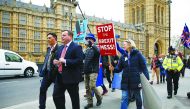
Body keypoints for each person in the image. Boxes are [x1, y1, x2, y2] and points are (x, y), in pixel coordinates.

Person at [111, 39, 149, 109]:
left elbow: (144, 67)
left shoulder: (138, 54)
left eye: (124, 44)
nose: (123, 46)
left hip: (136, 80)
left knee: (137, 97)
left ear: (130, 45)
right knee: (124, 97)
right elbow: (119, 68)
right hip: (126, 81)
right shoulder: (123, 56)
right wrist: (113, 69)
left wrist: (146, 79)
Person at [53, 30, 83, 109]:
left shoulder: (77, 47)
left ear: (70, 36)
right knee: (56, 96)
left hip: (71, 78)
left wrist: (66, 61)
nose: (62, 37)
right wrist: (55, 61)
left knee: (74, 99)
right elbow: (57, 58)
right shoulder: (60, 48)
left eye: (64, 35)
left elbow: (79, 61)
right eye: (61, 35)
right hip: (59, 77)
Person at [39, 32, 58, 109]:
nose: (48, 39)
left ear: (55, 39)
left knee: (57, 94)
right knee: (42, 89)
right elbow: (46, 60)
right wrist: (43, 70)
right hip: (47, 73)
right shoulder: (48, 48)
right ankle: (42, 107)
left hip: (55, 74)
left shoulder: (59, 48)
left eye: (49, 38)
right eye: (47, 38)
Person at [83, 33, 102, 109]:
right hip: (86, 70)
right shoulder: (86, 50)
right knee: (87, 88)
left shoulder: (96, 48)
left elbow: (98, 53)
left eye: (89, 39)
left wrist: (92, 45)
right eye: (87, 39)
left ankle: (99, 98)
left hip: (93, 70)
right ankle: (90, 103)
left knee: (92, 86)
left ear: (93, 41)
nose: (88, 40)